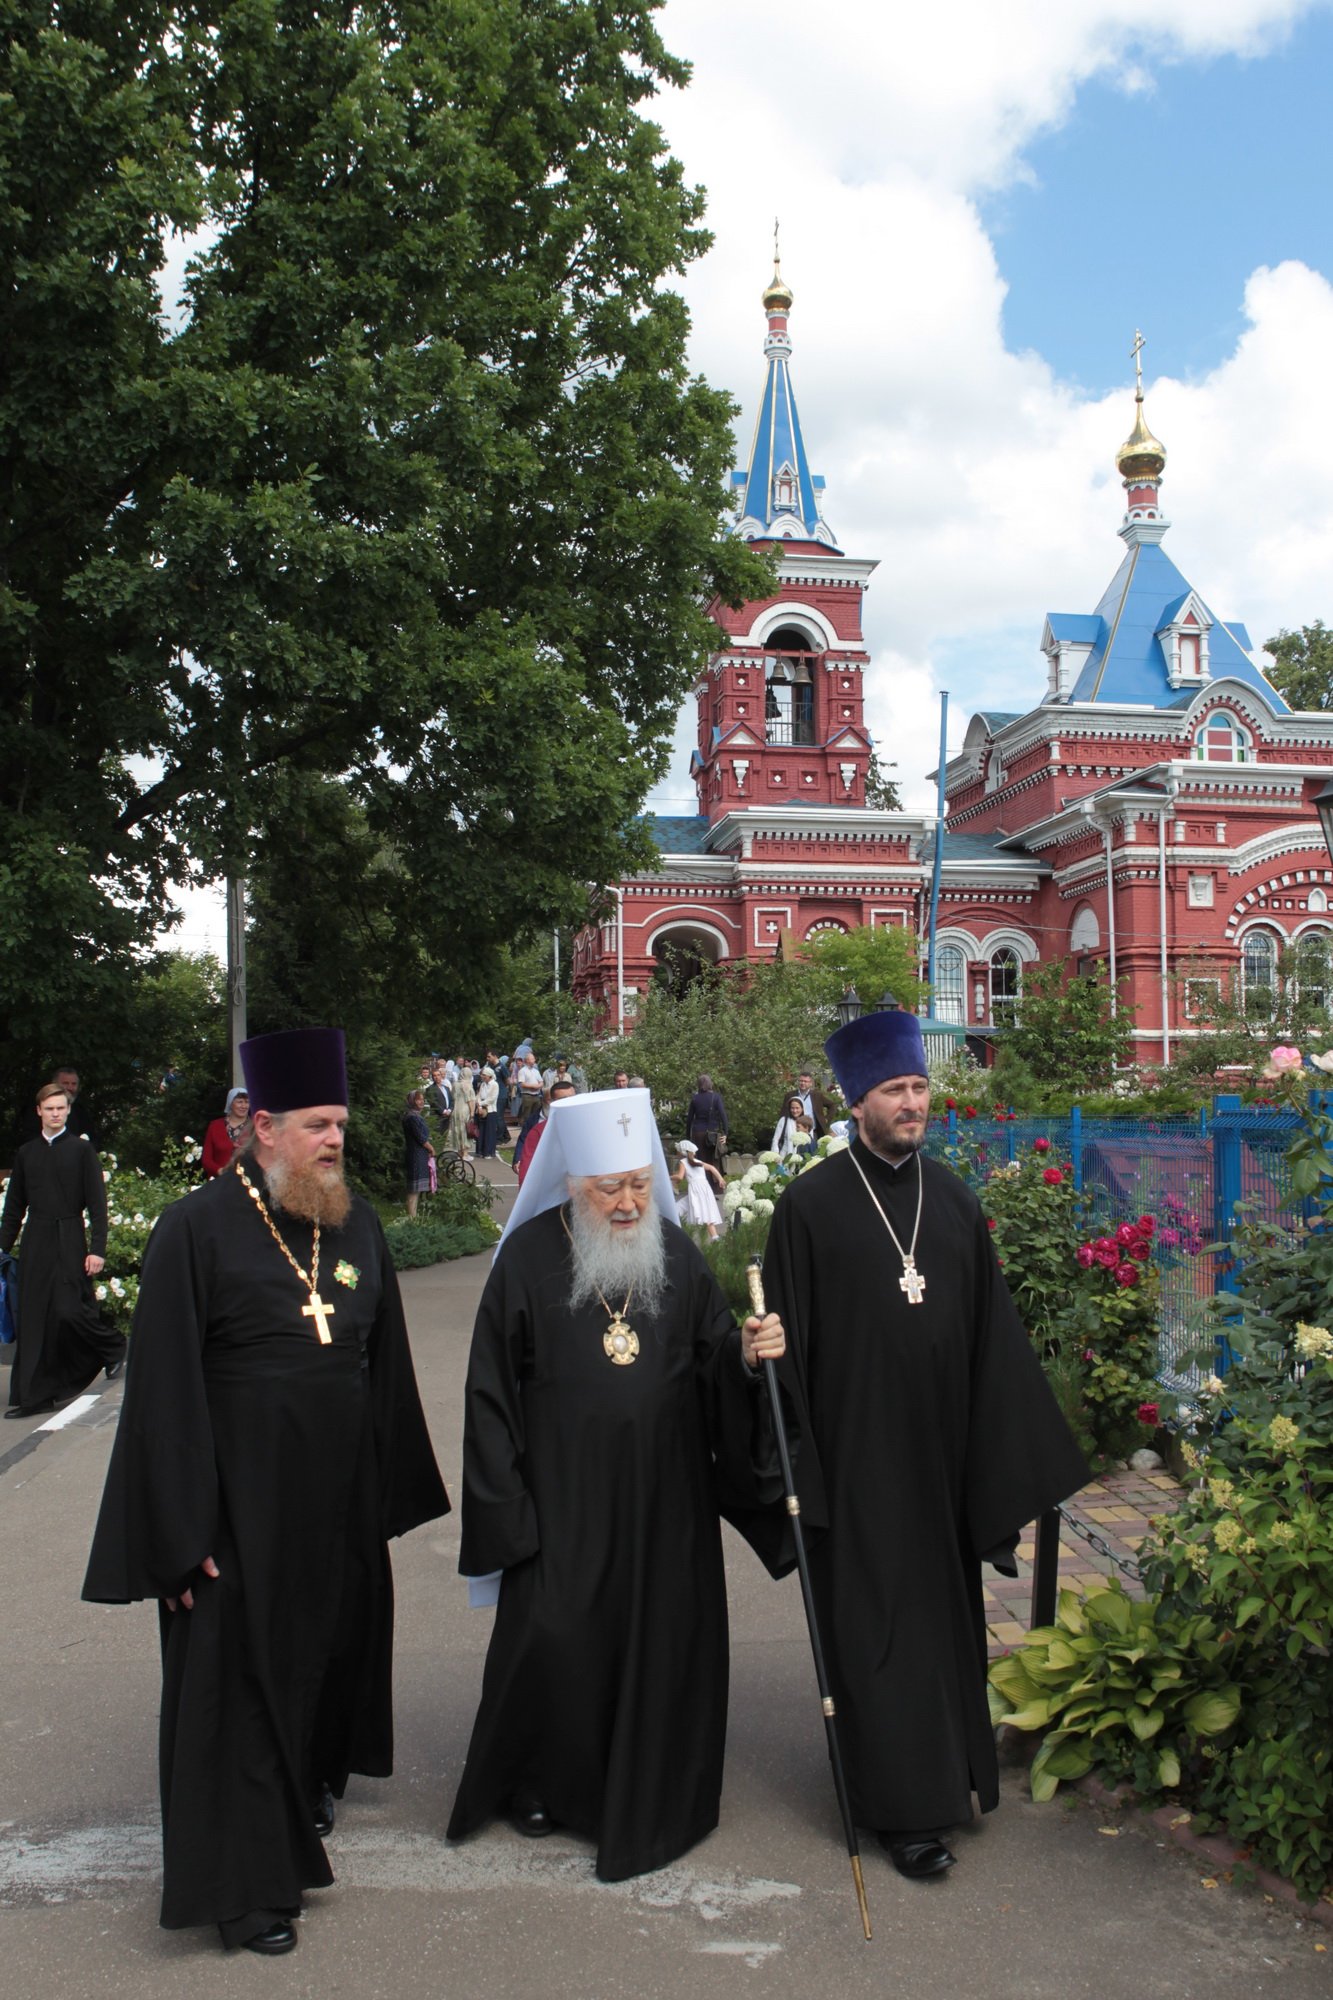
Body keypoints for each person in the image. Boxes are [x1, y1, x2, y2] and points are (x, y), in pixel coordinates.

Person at [82, 1027, 449, 1956]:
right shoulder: (194, 1229)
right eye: (319, 1125)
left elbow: (387, 1365)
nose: (335, 1139)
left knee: (317, 1672)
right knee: (234, 1696)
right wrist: (178, 1529)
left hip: (331, 1513)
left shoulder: (354, 1221)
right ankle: (245, 1895)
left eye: (341, 1124)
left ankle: (299, 1805)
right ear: (263, 1127)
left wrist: (383, 1498)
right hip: (234, 1519)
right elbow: (161, 1397)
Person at [760, 1012, 1087, 1883]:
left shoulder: (952, 1199)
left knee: (944, 1633)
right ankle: (900, 1814)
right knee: (875, 1637)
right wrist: (755, 1359)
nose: (912, 1104)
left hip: (942, 1463)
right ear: (854, 1101)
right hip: (858, 1464)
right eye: (893, 1091)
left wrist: (1008, 1457)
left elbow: (993, 1340)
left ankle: (951, 1783)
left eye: (917, 1088)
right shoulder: (810, 1207)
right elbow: (778, 1350)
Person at [447, 1089, 787, 1882]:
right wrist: (507, 1512)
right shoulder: (527, 1263)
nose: (630, 1202)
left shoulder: (675, 1253)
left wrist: (742, 1355)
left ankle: (657, 1786)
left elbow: (710, 1364)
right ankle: (543, 1783)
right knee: (557, 1639)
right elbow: (488, 1397)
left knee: (658, 1641)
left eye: (640, 1183)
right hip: (562, 1501)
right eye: (611, 1187)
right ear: (573, 1182)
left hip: (666, 1501)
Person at [1, 1082, 125, 1417]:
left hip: (71, 1237)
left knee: (70, 1310)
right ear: (39, 1111)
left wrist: (97, 1249)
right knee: (35, 1317)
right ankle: (36, 1396)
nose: (56, 1113)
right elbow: (14, 1209)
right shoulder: (26, 1154)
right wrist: (2, 1248)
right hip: (36, 1241)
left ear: (68, 1111)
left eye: (61, 1108)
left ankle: (112, 1347)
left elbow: (97, 1206)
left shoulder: (81, 1151)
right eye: (49, 1108)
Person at [513, 1074, 577, 1184]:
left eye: (572, 1098)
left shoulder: (586, 1125)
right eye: (563, 1099)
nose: (569, 1103)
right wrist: (518, 1160)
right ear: (551, 1101)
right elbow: (524, 1144)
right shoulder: (537, 1129)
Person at [672, 1140, 725, 1240]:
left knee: (680, 1208)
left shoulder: (682, 1162)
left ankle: (674, 1228)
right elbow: (712, 1168)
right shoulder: (698, 1162)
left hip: (696, 1190)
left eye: (678, 1151)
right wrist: (720, 1179)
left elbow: (679, 1177)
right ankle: (715, 1238)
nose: (677, 1153)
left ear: (682, 1152)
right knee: (705, 1212)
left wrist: (668, 1177)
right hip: (705, 1189)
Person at [202, 1088, 251, 1178]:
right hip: (219, 1183)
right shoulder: (215, 1126)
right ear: (230, 1103)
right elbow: (206, 1159)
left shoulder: (255, 1127)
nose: (244, 1106)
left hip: (249, 1184)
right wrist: (220, 1171)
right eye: (240, 1102)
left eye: (247, 1102)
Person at [402, 1088, 435, 1218]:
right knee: (414, 1188)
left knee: (418, 1187)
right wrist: (431, 1148)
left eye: (422, 1099)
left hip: (419, 1153)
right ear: (412, 1101)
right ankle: (412, 1216)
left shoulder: (415, 1115)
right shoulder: (412, 1117)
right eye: (418, 1099)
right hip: (416, 1153)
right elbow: (420, 1137)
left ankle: (414, 1215)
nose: (421, 1102)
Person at [685, 1073, 728, 1169]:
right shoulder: (716, 1097)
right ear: (710, 1084)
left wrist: (688, 1136)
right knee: (713, 1160)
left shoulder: (695, 1098)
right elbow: (723, 1116)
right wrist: (725, 1134)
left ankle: (702, 1182)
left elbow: (689, 1119)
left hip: (698, 1133)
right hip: (712, 1134)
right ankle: (713, 1182)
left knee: (700, 1161)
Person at [794, 1068, 837, 1139]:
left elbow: (832, 1105)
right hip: (795, 1131)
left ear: (810, 1083)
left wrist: (826, 1118)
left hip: (813, 1132)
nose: (802, 1083)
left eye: (805, 1081)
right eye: (801, 1081)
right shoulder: (791, 1095)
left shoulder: (817, 1096)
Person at [772, 1093, 815, 1160]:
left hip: (801, 1155)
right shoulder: (784, 1120)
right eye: (792, 1108)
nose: (795, 1111)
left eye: (797, 1108)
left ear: (802, 1108)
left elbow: (809, 1138)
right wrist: (775, 1154)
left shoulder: (807, 1121)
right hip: (785, 1156)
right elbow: (776, 1139)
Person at [447, 1061, 476, 1160]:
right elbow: (471, 1101)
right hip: (465, 1110)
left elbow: (452, 1097)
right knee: (465, 1131)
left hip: (456, 1110)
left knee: (457, 1130)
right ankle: (465, 1154)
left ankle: (459, 1152)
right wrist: (472, 1113)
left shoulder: (455, 1084)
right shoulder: (468, 1085)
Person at [474, 1065, 502, 1158]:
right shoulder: (482, 1084)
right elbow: (478, 1095)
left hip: (490, 1111)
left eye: (484, 1075)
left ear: (489, 1076)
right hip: (481, 1110)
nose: (482, 1077)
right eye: (482, 1075)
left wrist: (481, 1103)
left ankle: (488, 1152)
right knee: (481, 1130)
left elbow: (492, 1099)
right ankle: (480, 1151)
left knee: (489, 1132)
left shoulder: (495, 1084)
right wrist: (479, 1104)